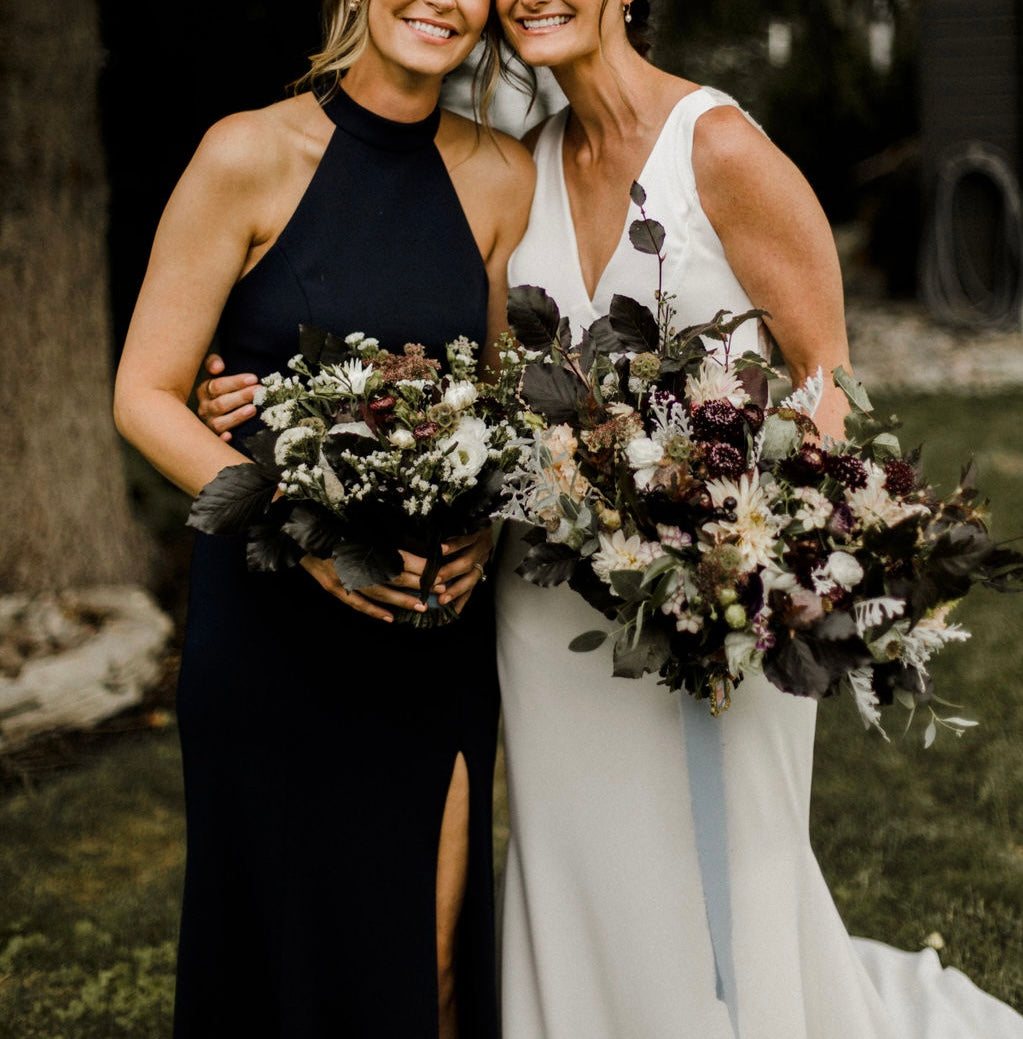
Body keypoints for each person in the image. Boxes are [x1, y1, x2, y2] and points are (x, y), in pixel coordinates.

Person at [195, 2, 1023, 1036]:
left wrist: (764, 550)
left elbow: (829, 372)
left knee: (727, 877)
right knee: (583, 866)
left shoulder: (716, 146)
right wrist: (257, 398)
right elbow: (465, 369)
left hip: (722, 596)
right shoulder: (510, 167)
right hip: (547, 606)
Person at [112, 0, 534, 1034]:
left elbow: (495, 400)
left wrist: (493, 517)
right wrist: (303, 525)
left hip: (426, 632)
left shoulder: (502, 177)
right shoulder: (246, 154)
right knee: (280, 977)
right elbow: (145, 395)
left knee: (426, 966)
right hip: (268, 639)